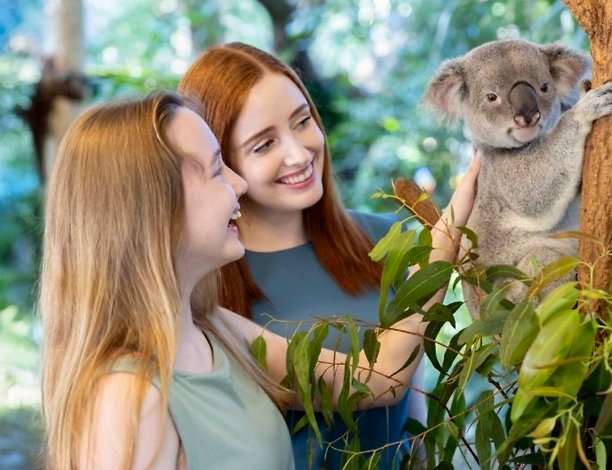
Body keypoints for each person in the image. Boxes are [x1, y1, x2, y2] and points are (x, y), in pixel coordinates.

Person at [39, 91, 481, 469]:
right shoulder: (125, 396)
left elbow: (379, 379)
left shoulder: (216, 328)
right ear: (154, 212)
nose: (238, 185)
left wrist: (446, 238)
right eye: (216, 170)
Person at [178, 41, 465, 469]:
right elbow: (380, 381)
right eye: (263, 145)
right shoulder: (206, 291)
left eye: (302, 121)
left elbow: (413, 417)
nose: (298, 153)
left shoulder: (388, 240)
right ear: (220, 160)